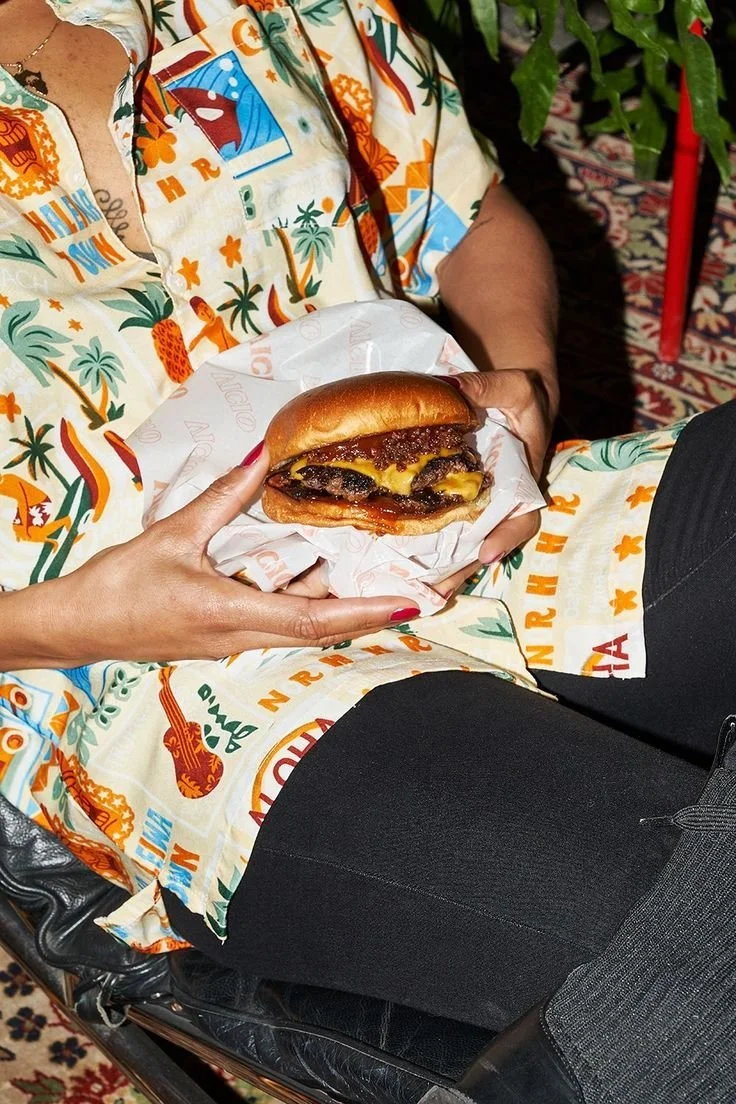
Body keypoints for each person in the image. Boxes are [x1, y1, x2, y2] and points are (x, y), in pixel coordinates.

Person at [0, 0, 733, 1053]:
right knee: (693, 954)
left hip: (464, 506)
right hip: (159, 688)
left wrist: (518, 382)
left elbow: (470, 217)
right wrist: (69, 621)